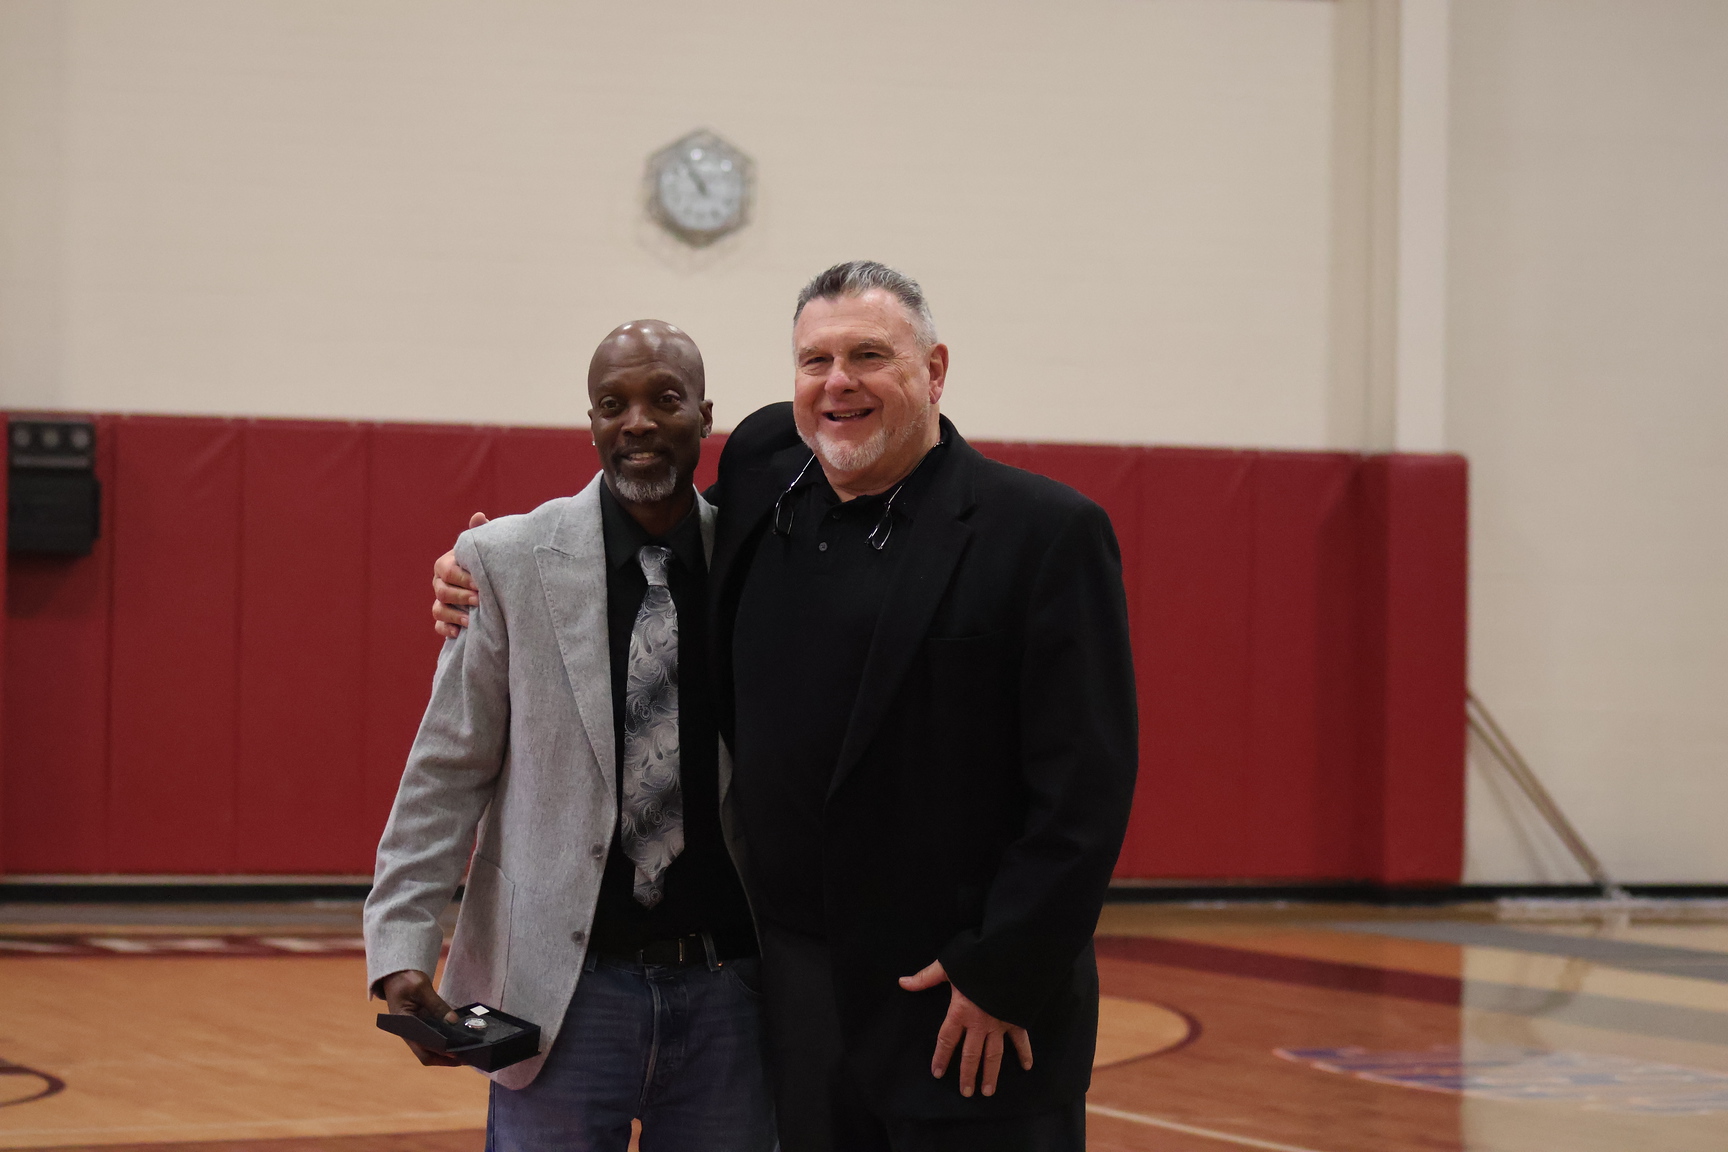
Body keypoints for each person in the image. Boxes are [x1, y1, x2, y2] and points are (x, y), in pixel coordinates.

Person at [434, 263, 1138, 1152]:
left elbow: (1086, 788)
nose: (838, 382)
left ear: (935, 370)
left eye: (870, 356)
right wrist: (480, 571)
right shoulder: (767, 488)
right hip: (801, 1016)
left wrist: (1006, 970)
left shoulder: (1044, 534)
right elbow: (633, 531)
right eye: (816, 360)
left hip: (969, 1007)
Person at [367, 320, 775, 1152]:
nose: (638, 423)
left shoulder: (758, 564)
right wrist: (402, 942)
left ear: (705, 415)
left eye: (665, 400)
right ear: (589, 422)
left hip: (729, 990)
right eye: (612, 404)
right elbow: (447, 772)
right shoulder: (505, 562)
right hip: (559, 996)